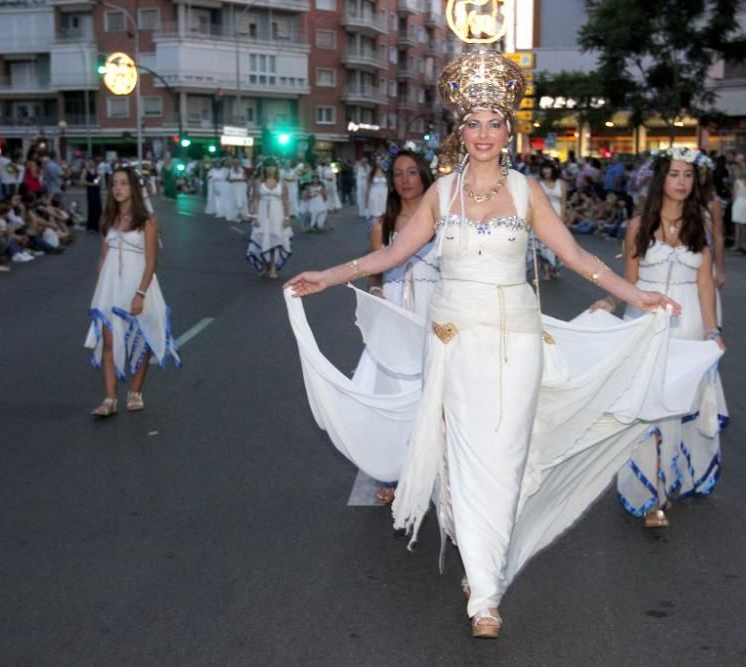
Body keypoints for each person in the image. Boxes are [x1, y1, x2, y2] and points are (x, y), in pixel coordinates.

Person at [283, 50, 718, 639]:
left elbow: (576, 257)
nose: (483, 133)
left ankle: (484, 561)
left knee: (505, 457)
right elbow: (391, 254)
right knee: (465, 455)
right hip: (454, 343)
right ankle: (485, 592)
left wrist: (634, 295)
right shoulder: (441, 192)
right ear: (460, 132)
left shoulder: (526, 189)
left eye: (494, 122)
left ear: (507, 130)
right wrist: (327, 276)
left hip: (516, 341)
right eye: (473, 123)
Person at [591, 148, 727, 528]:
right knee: (646, 409)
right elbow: (630, 280)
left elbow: (705, 284)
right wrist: (610, 300)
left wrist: (713, 331)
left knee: (679, 411)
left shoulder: (699, 226)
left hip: (689, 326)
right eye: (675, 174)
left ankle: (671, 482)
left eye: (688, 175)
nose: (682, 182)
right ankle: (648, 494)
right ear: (661, 180)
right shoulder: (638, 225)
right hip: (645, 323)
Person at [357, 149, 438, 504]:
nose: (405, 180)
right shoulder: (382, 225)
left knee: (432, 392)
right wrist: (376, 292)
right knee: (394, 393)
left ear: (424, 176)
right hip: (394, 312)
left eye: (412, 172)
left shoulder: (444, 221)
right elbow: (375, 269)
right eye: (398, 174)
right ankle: (395, 471)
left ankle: (435, 469)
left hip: (432, 312)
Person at [84, 167, 181, 417]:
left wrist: (140, 294)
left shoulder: (147, 219)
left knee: (143, 337)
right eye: (114, 183)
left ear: (133, 188)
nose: (118, 188)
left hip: (138, 286)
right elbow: (102, 259)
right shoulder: (107, 219)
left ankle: (135, 391)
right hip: (110, 288)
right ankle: (110, 399)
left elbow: (151, 261)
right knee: (109, 342)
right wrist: (100, 291)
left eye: (123, 183)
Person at [247, 159, 291, 279]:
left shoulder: (282, 183)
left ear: (276, 169)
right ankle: (264, 265)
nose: (270, 169)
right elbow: (255, 199)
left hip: (277, 214)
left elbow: (286, 201)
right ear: (264, 168)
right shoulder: (258, 182)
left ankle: (273, 267)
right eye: (268, 166)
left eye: (273, 166)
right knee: (261, 238)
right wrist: (254, 216)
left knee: (275, 238)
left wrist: (287, 217)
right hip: (262, 213)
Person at [533, 161, 565, 280]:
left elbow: (563, 203)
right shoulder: (539, 184)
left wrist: (563, 220)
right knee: (543, 245)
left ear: (553, 170)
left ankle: (554, 268)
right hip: (543, 216)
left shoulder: (561, 184)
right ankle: (546, 271)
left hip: (557, 216)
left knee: (556, 246)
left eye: (548, 168)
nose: (545, 171)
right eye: (544, 168)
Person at [731, 164, 746, 252]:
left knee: (737, 225)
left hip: (738, 202)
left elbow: (734, 195)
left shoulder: (737, 182)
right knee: (744, 225)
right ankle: (743, 243)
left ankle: (737, 244)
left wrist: (733, 201)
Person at [80, 159, 102, 233]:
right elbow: (82, 181)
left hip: (96, 190)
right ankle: (92, 226)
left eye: (93, 162)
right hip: (91, 190)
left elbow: (97, 179)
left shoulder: (96, 170)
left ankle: (98, 225)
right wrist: (91, 184)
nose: (92, 164)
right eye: (90, 162)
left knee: (98, 207)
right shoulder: (86, 170)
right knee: (92, 207)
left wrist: (97, 182)